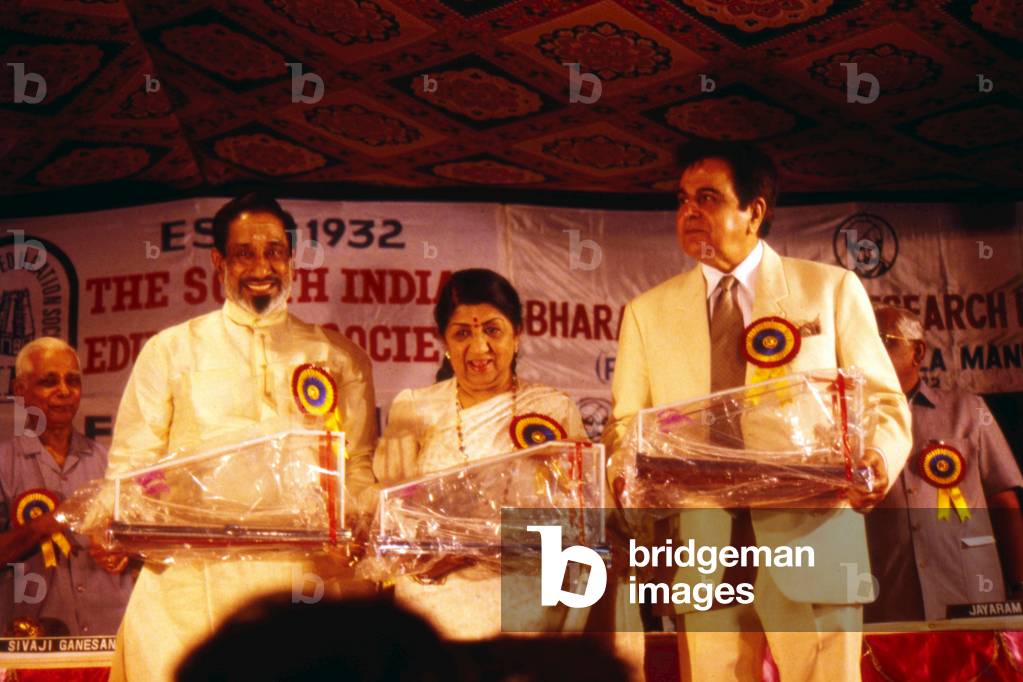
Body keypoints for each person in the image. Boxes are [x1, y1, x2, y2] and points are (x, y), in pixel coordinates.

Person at [602, 140, 912, 681]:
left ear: (755, 212)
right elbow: (627, 426)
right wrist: (625, 469)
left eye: (708, 199)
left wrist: (878, 463)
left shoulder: (830, 289)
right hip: (705, 546)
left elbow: (885, 403)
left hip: (813, 537)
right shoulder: (646, 313)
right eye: (681, 201)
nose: (690, 213)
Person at [105, 192, 378, 681]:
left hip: (304, 583)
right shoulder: (169, 351)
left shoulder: (339, 357)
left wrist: (357, 523)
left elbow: (356, 467)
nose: (262, 266)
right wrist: (115, 523)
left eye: (274, 251)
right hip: (188, 592)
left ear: (292, 260)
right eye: (245, 253)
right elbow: (130, 470)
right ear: (219, 261)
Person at [372, 269, 587, 640]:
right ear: (444, 341)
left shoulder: (552, 408)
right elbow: (390, 518)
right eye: (462, 333)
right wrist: (437, 554)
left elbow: (582, 519)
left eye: (492, 330)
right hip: (435, 592)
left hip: (525, 594)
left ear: (517, 335)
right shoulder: (414, 409)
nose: (479, 347)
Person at [866, 304, 1023, 622]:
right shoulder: (851, 421)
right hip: (888, 595)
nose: (870, 349)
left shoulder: (968, 410)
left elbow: (1004, 502)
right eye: (864, 339)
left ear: (917, 351)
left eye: (884, 339)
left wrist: (1020, 585)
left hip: (969, 589)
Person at [0, 337, 134, 636]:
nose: (64, 391)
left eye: (73, 381)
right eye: (49, 381)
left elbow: (138, 549)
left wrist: (124, 552)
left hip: (108, 635)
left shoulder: (112, 462)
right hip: (30, 639)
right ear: (20, 391)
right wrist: (40, 527)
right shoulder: (4, 463)